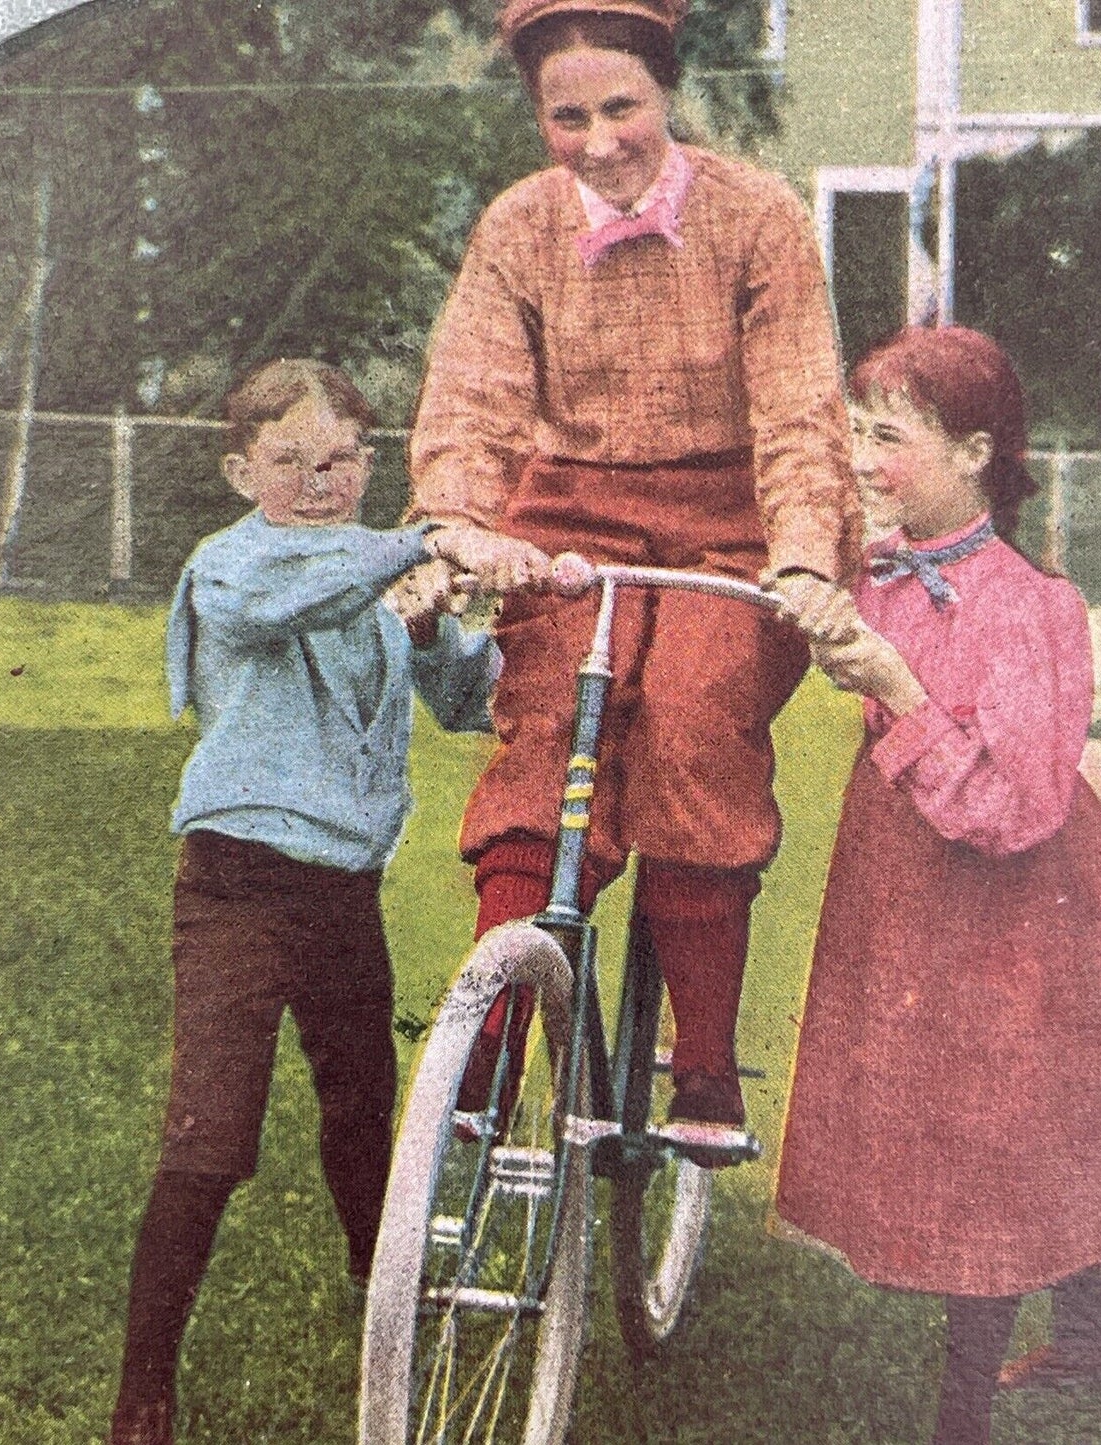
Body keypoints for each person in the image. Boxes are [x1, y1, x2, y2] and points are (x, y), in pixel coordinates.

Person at [409, 0, 858, 1132]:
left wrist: (802, 560)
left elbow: (801, 413)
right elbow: (472, 397)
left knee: (695, 716)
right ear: (537, 115)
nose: (599, 139)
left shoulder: (755, 217)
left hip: (732, 518)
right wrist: (462, 524)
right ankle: (492, 1035)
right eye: (568, 117)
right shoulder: (517, 227)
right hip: (571, 516)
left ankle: (699, 1053)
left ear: (665, 94)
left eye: (622, 108)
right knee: (552, 722)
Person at [772, 327, 1101, 1445]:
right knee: (1018, 1123)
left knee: (997, 1130)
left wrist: (898, 689)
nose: (864, 460)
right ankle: (1092, 1337)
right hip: (913, 876)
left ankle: (957, 1419)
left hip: (1020, 895)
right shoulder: (875, 571)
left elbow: (1011, 809)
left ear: (972, 451)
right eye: (857, 431)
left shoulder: (1027, 605)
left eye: (889, 437)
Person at [109, 360, 497, 1445]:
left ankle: (384, 1319)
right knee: (211, 1131)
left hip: (342, 891)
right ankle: (142, 1392)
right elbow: (302, 585)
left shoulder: (375, 580)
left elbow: (469, 701)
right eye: (290, 461)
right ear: (242, 470)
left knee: (361, 1108)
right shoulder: (232, 565)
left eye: (342, 459)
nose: (321, 481)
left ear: (369, 461)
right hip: (238, 880)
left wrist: (429, 629)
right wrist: (424, 541)